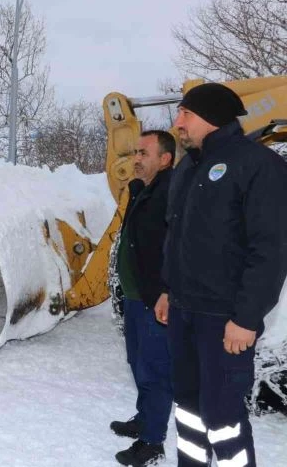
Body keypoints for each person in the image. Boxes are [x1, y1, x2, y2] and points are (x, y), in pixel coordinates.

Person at [157, 82, 287, 467]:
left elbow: (270, 249)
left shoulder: (259, 165)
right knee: (188, 408)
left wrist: (247, 319)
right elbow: (176, 236)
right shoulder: (187, 167)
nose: (177, 122)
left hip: (224, 319)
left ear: (211, 118)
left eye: (185, 114)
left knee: (223, 417)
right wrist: (168, 289)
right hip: (183, 310)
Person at [111, 130, 175, 466]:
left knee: (155, 370)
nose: (136, 158)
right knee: (138, 363)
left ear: (165, 159)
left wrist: (168, 290)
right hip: (135, 297)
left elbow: (180, 248)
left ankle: (152, 443)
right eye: (136, 152)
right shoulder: (144, 191)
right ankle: (144, 419)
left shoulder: (171, 193)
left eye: (144, 153)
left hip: (156, 300)